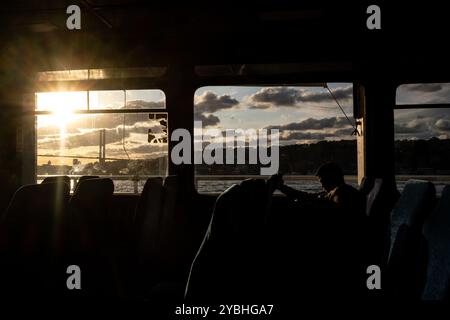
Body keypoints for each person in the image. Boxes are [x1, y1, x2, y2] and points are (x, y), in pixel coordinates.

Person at [267, 162, 365, 219]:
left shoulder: (342, 192)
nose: (321, 185)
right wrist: (283, 188)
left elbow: (312, 200)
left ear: (331, 178)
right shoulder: (332, 192)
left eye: (322, 181)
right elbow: (309, 197)